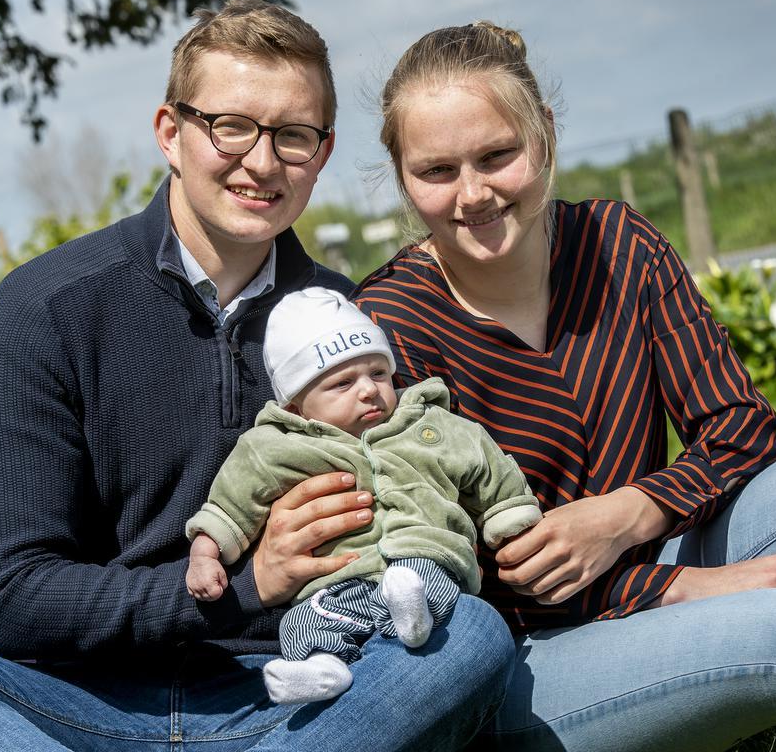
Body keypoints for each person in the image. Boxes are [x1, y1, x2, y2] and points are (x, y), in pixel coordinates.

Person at [0, 0, 514, 752]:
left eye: (292, 136)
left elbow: (433, 507)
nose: (262, 162)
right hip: (80, 704)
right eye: (231, 127)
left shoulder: (348, 318)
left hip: (301, 698)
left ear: (322, 153)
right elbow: (12, 599)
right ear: (171, 133)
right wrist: (244, 589)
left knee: (469, 633)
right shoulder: (44, 306)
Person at [353, 20, 776, 752]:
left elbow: (741, 426)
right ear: (400, 175)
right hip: (523, 663)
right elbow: (451, 580)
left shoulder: (618, 242)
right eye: (437, 171)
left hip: (653, 553)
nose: (474, 193)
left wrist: (628, 514)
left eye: (497, 155)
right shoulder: (385, 328)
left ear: (542, 135)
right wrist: (676, 590)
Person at [186, 286, 542, 704]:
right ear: (297, 406)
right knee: (300, 624)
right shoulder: (273, 447)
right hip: (334, 584)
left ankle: (411, 611)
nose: (369, 390)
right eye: (342, 383)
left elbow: (489, 468)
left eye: (377, 373)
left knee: (434, 586)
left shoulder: (428, 425)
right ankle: (322, 668)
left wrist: (511, 521)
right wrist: (205, 554)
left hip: (421, 554)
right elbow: (230, 504)